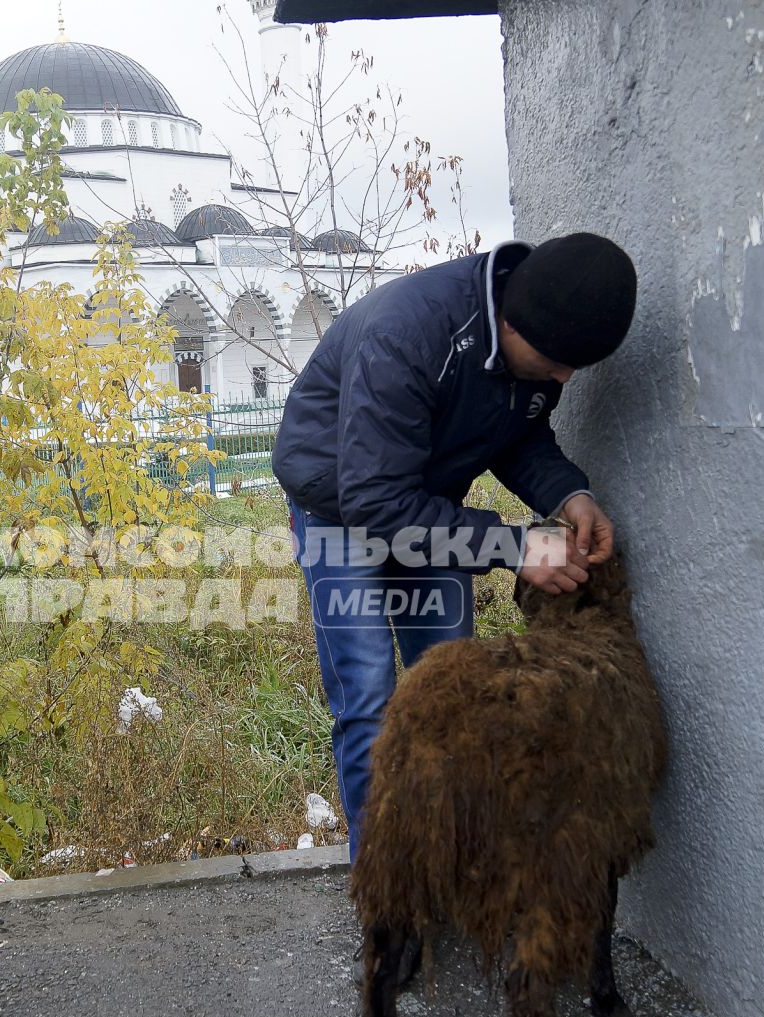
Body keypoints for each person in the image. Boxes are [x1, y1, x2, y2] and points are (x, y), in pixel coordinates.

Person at [270, 233, 639, 858]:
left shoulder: (534, 339)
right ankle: (386, 887)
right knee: (369, 698)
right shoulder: (406, 334)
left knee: (451, 690)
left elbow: (518, 436)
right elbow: (374, 502)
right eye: (554, 360)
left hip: (423, 504)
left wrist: (571, 496)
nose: (563, 376)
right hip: (340, 503)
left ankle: (443, 863)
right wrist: (516, 546)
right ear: (509, 322)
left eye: (574, 366)